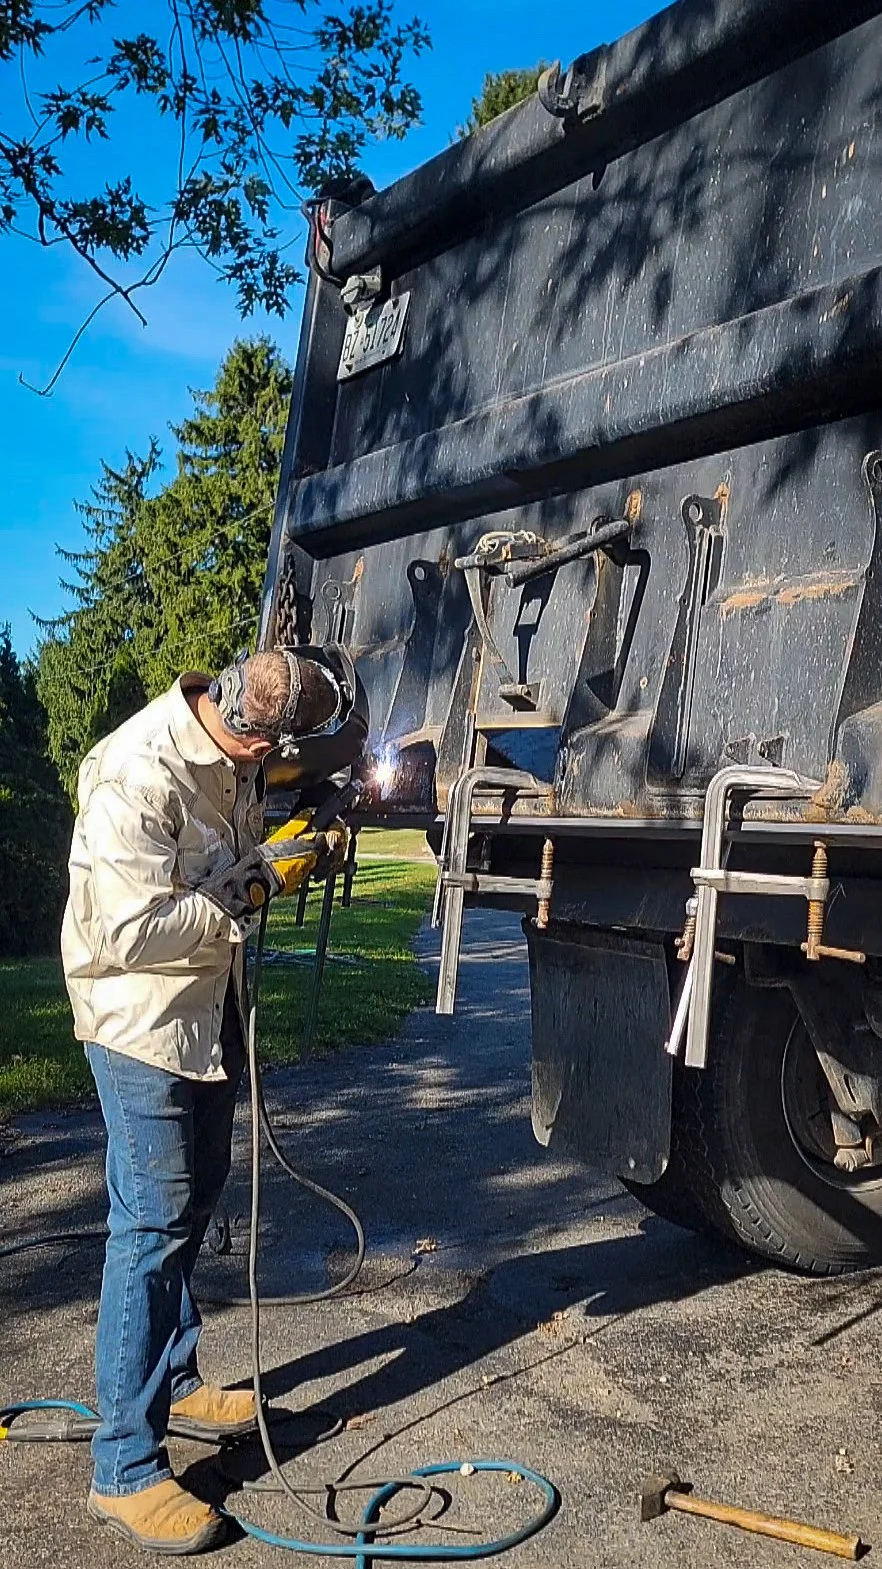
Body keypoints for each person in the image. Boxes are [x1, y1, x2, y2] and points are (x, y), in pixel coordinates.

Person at [60, 650, 342, 1554]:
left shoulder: (232, 756)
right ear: (256, 728)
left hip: (203, 1005)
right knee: (150, 1226)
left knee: (195, 1201)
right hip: (137, 1017)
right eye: (277, 758)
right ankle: (125, 1466)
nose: (270, 773)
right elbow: (128, 927)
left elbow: (234, 862)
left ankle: (175, 1383)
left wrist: (295, 841)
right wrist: (256, 886)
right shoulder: (138, 770)